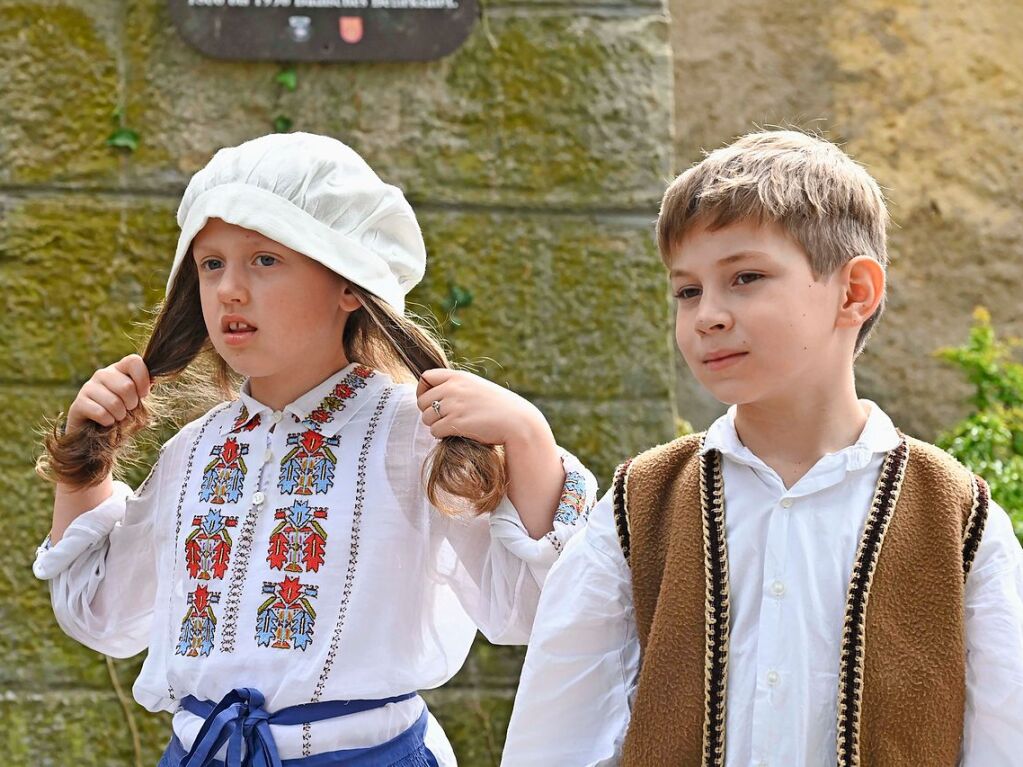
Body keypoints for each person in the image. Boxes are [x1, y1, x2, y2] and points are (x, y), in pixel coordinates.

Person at [33, 132, 596, 766]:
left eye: (265, 260)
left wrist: (528, 437)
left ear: (349, 284)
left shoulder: (414, 436)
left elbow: (533, 608)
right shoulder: (193, 452)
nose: (228, 290)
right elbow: (105, 619)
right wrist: (85, 469)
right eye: (210, 263)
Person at [501, 130, 1023, 766]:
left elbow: (1005, 734)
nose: (707, 316)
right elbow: (559, 734)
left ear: (855, 292)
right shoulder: (640, 508)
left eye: (745, 277)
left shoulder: (959, 521)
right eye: (687, 290)